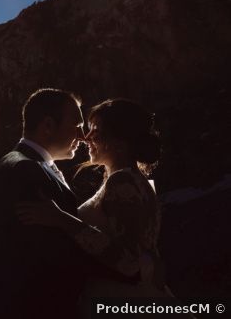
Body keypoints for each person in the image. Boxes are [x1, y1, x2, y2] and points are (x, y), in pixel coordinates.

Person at [17, 98, 174, 304]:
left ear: (119, 142)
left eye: (96, 132)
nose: (86, 138)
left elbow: (129, 261)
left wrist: (61, 219)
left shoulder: (123, 182)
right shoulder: (132, 180)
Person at [0, 88, 101, 319]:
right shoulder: (26, 169)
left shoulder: (26, 164)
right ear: (47, 125)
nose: (83, 136)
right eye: (76, 126)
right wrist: (125, 266)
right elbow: (52, 252)